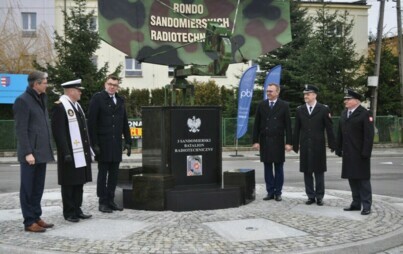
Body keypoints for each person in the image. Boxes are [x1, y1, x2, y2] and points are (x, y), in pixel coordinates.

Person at [13, 71, 54, 233]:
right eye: (44, 82)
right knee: (28, 189)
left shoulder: (41, 98)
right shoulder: (22, 101)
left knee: (38, 188)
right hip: (30, 154)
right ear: (35, 84)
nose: (47, 85)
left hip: (41, 152)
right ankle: (29, 221)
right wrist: (27, 153)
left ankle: (36, 216)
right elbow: (21, 130)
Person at [88, 75, 132, 213]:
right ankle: (102, 202)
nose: (112, 86)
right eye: (110, 84)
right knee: (103, 174)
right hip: (103, 143)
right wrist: (94, 144)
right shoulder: (98, 98)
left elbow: (124, 121)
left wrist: (129, 141)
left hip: (116, 143)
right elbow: (91, 123)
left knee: (114, 174)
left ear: (117, 87)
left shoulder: (120, 100)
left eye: (115, 85)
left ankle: (111, 200)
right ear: (105, 84)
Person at [51, 79, 93, 222]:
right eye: (78, 90)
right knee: (69, 183)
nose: (80, 92)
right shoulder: (60, 107)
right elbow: (59, 133)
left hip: (80, 152)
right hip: (69, 153)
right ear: (70, 91)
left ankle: (77, 208)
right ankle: (69, 212)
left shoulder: (77, 106)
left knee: (79, 182)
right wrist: (66, 152)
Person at [293, 85, 336, 206]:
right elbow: (296, 129)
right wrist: (295, 144)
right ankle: (310, 196)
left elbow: (329, 128)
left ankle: (319, 196)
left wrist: (333, 144)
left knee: (319, 171)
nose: (305, 96)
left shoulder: (323, 109)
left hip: (318, 145)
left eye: (308, 94)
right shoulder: (300, 109)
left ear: (315, 95)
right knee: (307, 172)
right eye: (305, 94)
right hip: (305, 145)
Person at [336, 89, 374, 215]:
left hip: (360, 153)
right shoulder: (344, 113)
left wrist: (366, 153)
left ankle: (366, 205)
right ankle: (356, 203)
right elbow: (340, 132)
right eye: (345, 99)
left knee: (363, 180)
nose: (345, 101)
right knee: (352, 179)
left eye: (348, 99)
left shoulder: (365, 113)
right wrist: (338, 147)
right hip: (348, 153)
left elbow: (369, 136)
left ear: (356, 101)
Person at [252, 83, 293, 201]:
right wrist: (255, 141)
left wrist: (289, 142)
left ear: (277, 92)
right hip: (265, 141)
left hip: (278, 141)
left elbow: (288, 126)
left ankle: (278, 192)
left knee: (279, 168)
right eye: (267, 91)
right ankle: (270, 191)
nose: (268, 93)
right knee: (267, 167)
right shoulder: (261, 105)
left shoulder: (284, 105)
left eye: (271, 91)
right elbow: (256, 124)